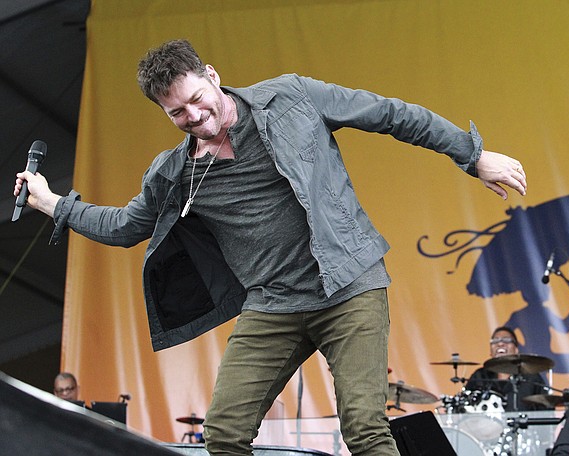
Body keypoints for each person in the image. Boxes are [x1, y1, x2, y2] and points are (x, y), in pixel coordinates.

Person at [14, 39, 528, 456]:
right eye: (178, 113)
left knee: (366, 433)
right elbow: (127, 225)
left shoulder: (290, 97)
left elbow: (391, 114)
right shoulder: (174, 173)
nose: (195, 116)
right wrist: (54, 204)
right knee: (224, 435)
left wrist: (472, 155)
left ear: (212, 76)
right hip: (272, 306)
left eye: (197, 99)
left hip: (349, 287)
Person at [466, 326, 548, 411]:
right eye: (495, 341)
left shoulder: (531, 377)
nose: (500, 344)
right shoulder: (479, 376)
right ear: (490, 351)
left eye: (506, 340)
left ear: (516, 350)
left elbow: (546, 408)